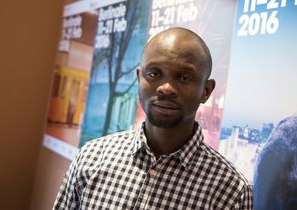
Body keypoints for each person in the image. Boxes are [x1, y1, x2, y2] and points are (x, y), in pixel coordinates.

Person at [53, 27, 253, 209]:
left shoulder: (231, 192)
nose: (166, 88)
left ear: (206, 91)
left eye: (184, 77)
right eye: (154, 73)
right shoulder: (91, 158)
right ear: (139, 78)